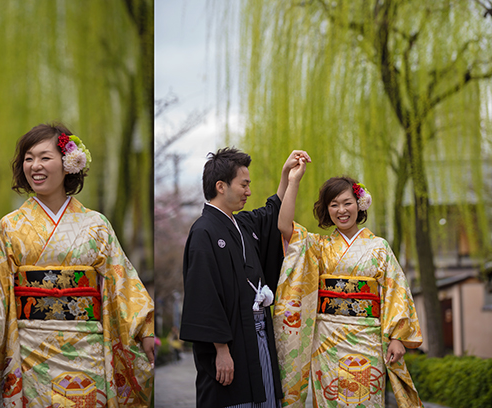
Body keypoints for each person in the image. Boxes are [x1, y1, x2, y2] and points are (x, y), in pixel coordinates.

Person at [0, 124, 155, 407]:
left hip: (86, 350)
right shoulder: (10, 226)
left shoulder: (96, 225)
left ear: (68, 164)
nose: (35, 166)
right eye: (28, 158)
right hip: (30, 351)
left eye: (44, 157)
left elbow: (122, 280)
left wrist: (144, 329)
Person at [274, 172, 422, 407]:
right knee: (329, 400)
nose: (341, 210)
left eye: (347, 203)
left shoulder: (379, 247)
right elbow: (284, 226)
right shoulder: (319, 246)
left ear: (359, 204)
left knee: (367, 399)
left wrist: (397, 338)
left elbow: (396, 291)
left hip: (368, 339)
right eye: (334, 205)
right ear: (327, 210)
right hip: (326, 341)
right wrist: (293, 181)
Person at [180, 147, 310, 408]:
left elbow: (272, 212)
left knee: (264, 396)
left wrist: (287, 175)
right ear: (221, 186)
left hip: (258, 331)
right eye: (244, 184)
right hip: (230, 341)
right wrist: (221, 349)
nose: (249, 191)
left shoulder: (242, 225)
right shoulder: (203, 231)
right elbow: (204, 294)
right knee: (233, 398)